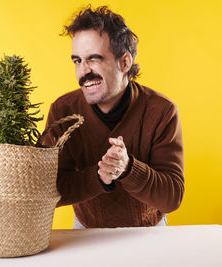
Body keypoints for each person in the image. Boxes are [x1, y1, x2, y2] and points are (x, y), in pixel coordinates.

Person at [43, 5, 185, 228]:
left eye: (94, 58)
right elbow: (49, 189)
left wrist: (128, 168)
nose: (83, 71)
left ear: (125, 62)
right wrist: (99, 177)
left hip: (149, 233)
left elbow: (172, 197)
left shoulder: (162, 111)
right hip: (85, 233)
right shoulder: (63, 112)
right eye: (77, 60)